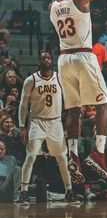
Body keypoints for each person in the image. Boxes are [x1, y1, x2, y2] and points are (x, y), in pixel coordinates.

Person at [49, 0, 107, 182]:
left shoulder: (52, 6)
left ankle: (73, 156)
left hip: (64, 60)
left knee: (73, 110)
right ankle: (99, 154)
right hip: (83, 56)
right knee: (103, 104)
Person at [18, 51, 78, 205]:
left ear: (52, 60)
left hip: (56, 122)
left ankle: (69, 191)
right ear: (39, 61)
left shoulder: (59, 78)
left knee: (62, 158)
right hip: (37, 122)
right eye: (43, 58)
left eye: (48, 57)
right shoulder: (31, 80)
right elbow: (23, 105)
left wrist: (70, 117)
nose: (45, 59)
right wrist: (22, 126)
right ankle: (23, 193)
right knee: (31, 156)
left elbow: (70, 100)